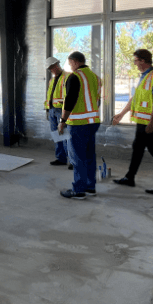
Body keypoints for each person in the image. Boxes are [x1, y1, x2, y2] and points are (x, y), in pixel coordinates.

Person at [112, 49, 153, 195]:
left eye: (136, 61)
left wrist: (152, 122)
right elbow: (134, 99)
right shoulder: (145, 76)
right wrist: (121, 114)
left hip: (149, 125)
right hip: (143, 123)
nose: (135, 63)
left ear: (143, 61)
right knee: (138, 149)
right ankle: (130, 177)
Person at [57, 51, 101, 200]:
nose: (70, 67)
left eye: (70, 64)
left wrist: (62, 121)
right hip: (93, 122)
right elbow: (97, 100)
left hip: (78, 123)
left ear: (75, 62)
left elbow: (70, 100)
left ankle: (79, 190)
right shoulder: (95, 77)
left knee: (77, 157)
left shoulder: (75, 77)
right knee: (89, 156)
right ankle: (90, 187)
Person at [44, 57, 69, 166]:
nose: (52, 70)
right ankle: (61, 158)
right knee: (56, 135)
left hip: (61, 110)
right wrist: (47, 111)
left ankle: (72, 160)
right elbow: (49, 97)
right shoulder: (52, 80)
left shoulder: (67, 77)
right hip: (52, 110)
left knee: (65, 135)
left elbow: (69, 96)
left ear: (57, 65)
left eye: (52, 67)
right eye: (50, 69)